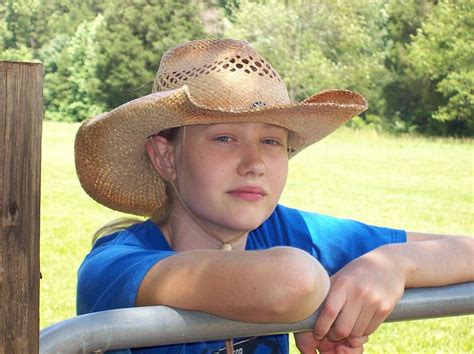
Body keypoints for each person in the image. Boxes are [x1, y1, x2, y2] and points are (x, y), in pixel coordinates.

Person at [75, 39, 473, 354]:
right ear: (165, 156)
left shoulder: (285, 229)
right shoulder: (116, 266)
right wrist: (322, 301)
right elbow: (294, 282)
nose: (254, 163)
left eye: (270, 140)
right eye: (225, 138)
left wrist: (394, 264)